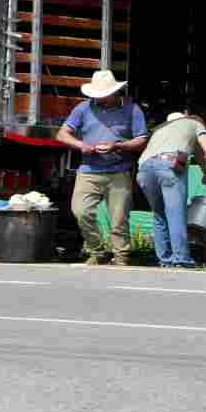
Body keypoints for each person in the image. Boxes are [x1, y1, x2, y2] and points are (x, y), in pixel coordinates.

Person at [55, 70, 149, 266]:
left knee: (119, 218)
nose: (98, 98)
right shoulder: (83, 108)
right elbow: (62, 134)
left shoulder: (132, 109)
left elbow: (141, 140)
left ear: (114, 92)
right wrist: (81, 145)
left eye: (103, 94)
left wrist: (118, 146)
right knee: (81, 211)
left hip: (119, 170)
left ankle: (121, 257)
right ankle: (98, 251)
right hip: (88, 170)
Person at [136, 112, 206, 268]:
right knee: (176, 214)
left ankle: (165, 259)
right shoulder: (194, 123)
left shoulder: (160, 129)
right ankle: (181, 259)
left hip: (144, 169)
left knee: (159, 215)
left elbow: (198, 153)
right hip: (170, 165)